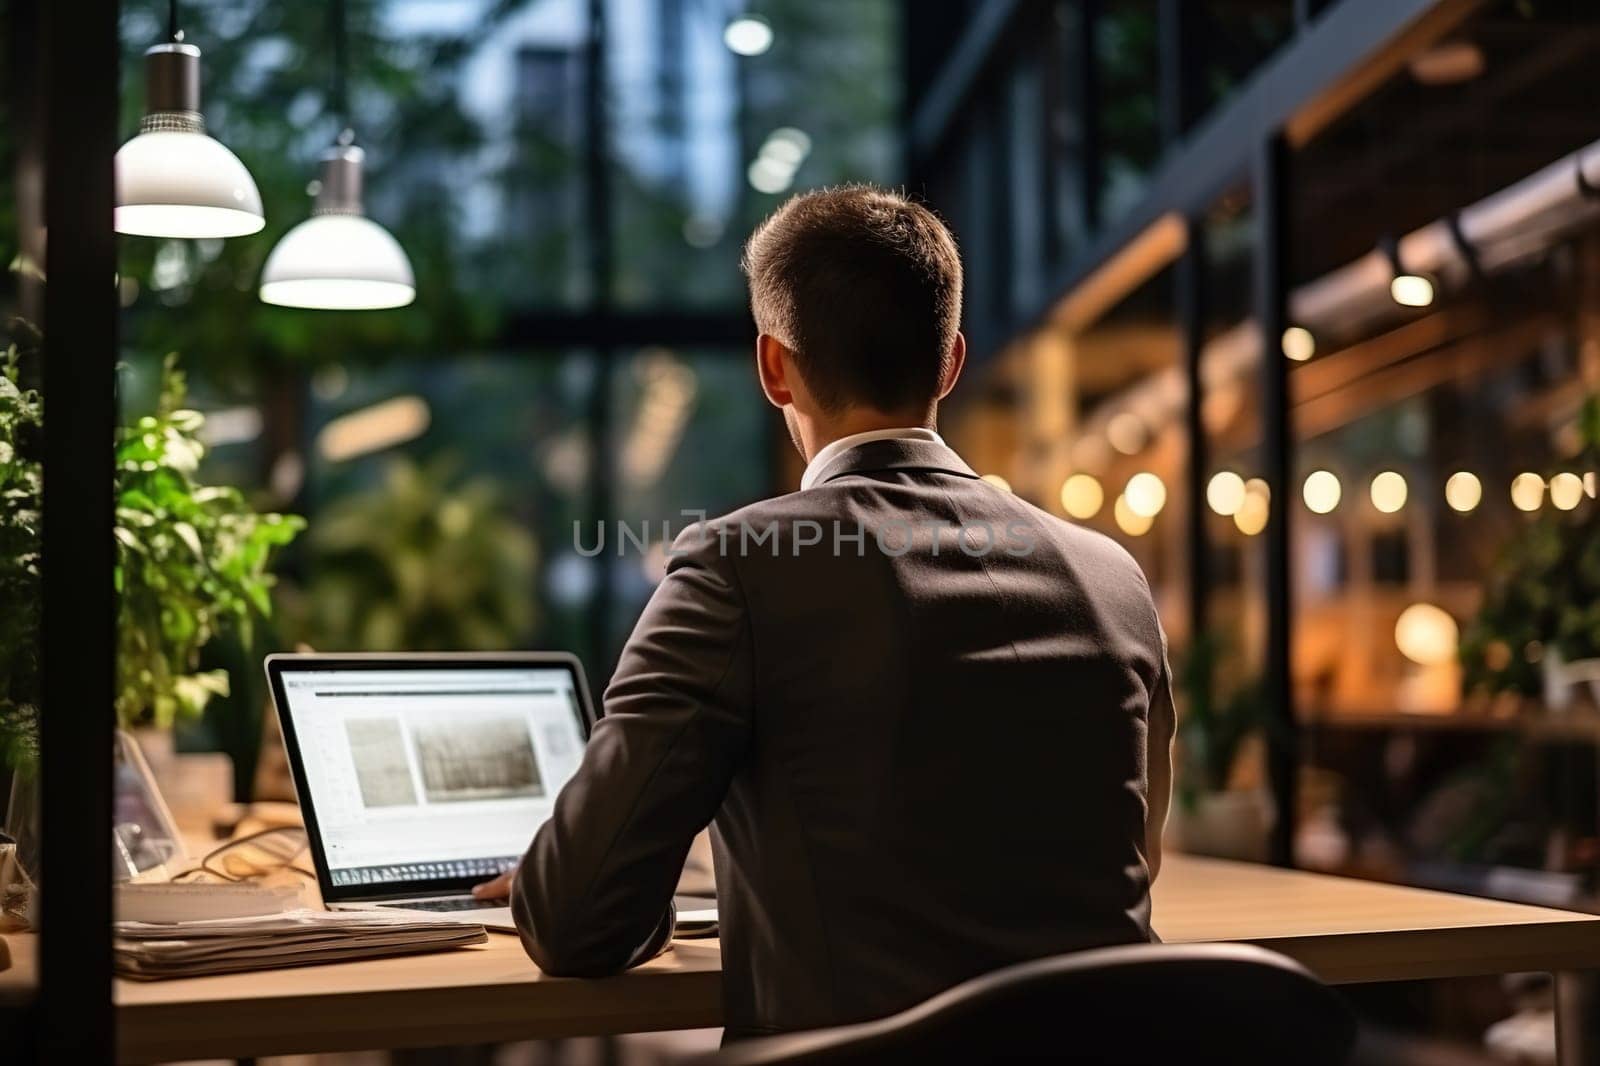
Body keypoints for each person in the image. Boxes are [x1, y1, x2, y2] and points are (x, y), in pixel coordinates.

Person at [474, 184, 1175, 1040]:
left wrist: (608, 881)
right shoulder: (1111, 577)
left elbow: (576, 923)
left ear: (774, 367)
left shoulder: (735, 567)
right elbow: (1126, 858)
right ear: (950, 361)